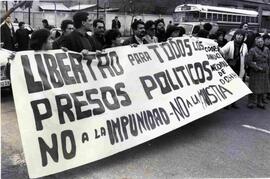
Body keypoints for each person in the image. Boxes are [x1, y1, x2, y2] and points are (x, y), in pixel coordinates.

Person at [220, 29, 248, 108]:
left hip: (239, 68)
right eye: (238, 35)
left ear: (243, 37)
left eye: (241, 35)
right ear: (235, 35)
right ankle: (226, 103)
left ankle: (233, 102)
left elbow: (246, 55)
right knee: (228, 85)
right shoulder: (230, 43)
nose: (239, 37)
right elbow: (222, 51)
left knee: (236, 85)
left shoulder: (244, 45)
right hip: (230, 67)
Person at [246, 36, 270, 109]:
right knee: (253, 87)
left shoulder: (267, 49)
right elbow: (249, 61)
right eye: (258, 42)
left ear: (263, 41)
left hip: (265, 71)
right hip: (256, 71)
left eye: (261, 41)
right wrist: (257, 68)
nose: (260, 43)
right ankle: (251, 102)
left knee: (263, 87)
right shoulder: (252, 50)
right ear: (256, 43)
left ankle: (260, 102)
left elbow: (269, 60)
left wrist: (268, 68)